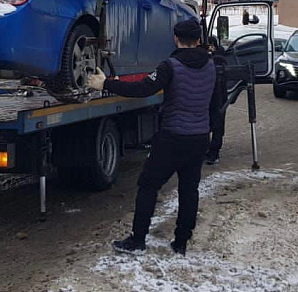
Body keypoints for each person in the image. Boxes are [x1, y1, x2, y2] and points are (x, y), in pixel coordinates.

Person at [87, 18, 215, 256]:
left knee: (148, 185)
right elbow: (216, 105)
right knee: (189, 189)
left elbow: (142, 90)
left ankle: (137, 240)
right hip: (198, 138)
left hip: (172, 138)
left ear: (176, 39)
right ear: (198, 40)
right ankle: (181, 242)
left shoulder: (170, 65)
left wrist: (106, 84)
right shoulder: (211, 66)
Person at [205, 36, 228, 165]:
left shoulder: (218, 57)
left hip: (218, 95)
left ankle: (214, 153)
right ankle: (210, 151)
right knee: (214, 123)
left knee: (217, 124)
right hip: (214, 95)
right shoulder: (215, 57)